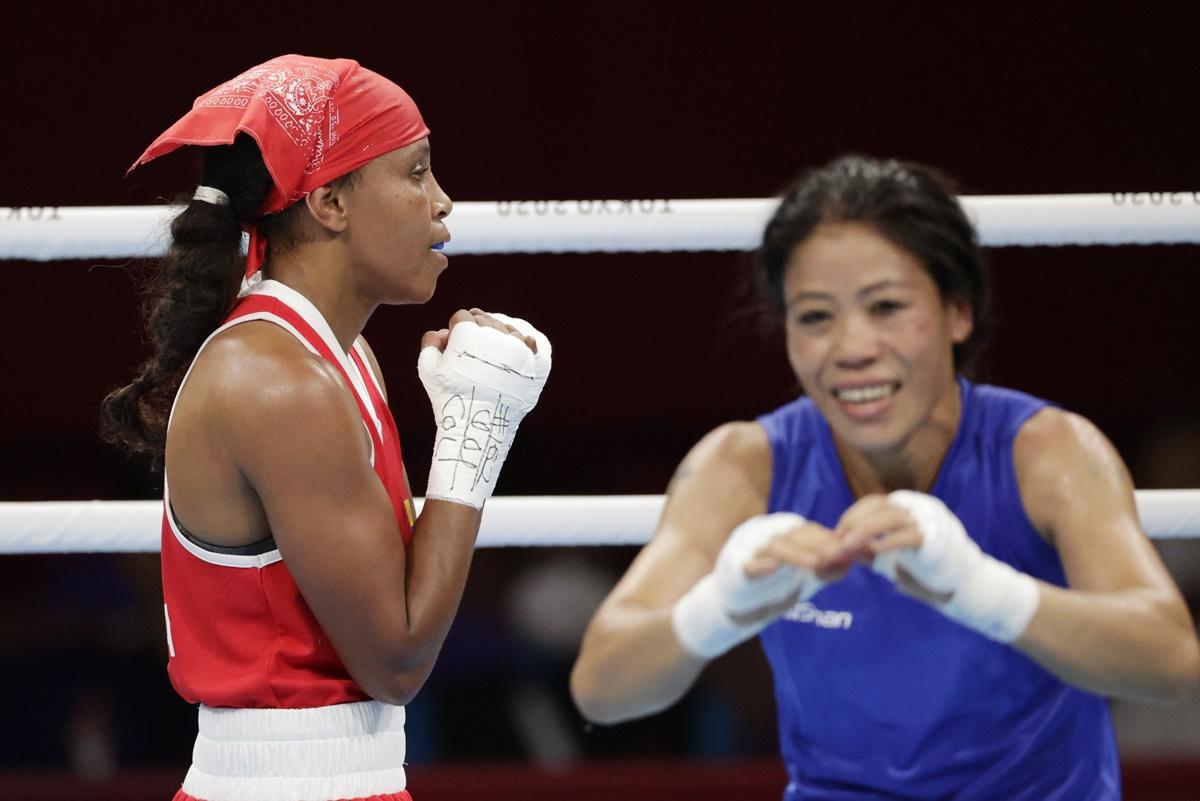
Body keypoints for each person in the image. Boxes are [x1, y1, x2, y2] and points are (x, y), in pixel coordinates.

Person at [571, 155, 1200, 799]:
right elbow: (601, 686)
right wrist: (720, 610)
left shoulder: (1047, 454)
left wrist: (979, 590)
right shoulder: (743, 465)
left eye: (887, 306)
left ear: (959, 311)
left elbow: (1170, 658)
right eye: (816, 316)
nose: (852, 347)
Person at [101, 54, 551, 801]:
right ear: (332, 202)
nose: (442, 202)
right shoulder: (281, 384)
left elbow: (394, 591)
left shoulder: (339, 355)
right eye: (414, 172)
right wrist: (478, 426)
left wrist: (465, 416)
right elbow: (398, 660)